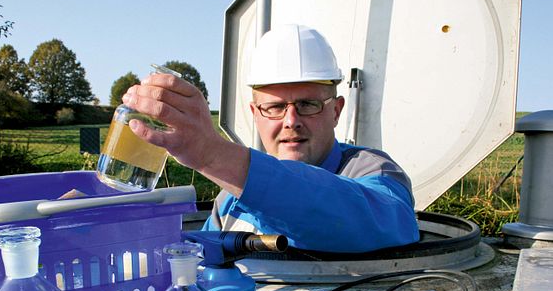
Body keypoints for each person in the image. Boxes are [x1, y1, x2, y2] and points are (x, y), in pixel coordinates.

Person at [122, 24, 419, 253]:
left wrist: (211, 154)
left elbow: (381, 223)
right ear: (255, 113)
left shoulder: (373, 170)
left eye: (307, 105)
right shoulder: (230, 199)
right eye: (275, 107)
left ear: (336, 111)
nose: (291, 121)